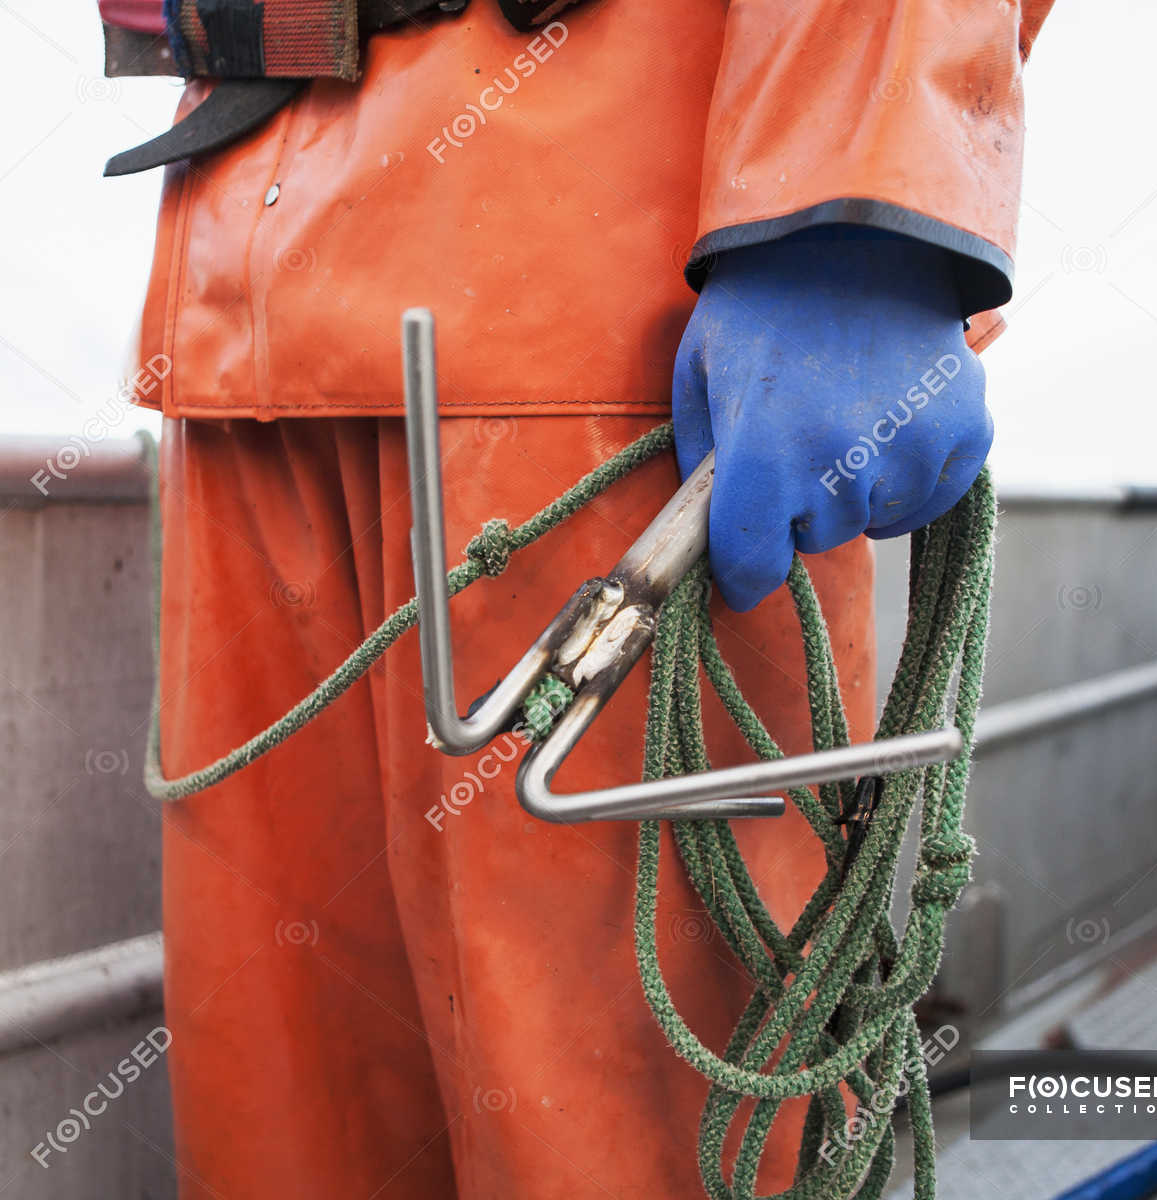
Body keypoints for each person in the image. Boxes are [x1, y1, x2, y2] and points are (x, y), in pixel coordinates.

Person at [103, 0, 1052, 1193]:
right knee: (288, 1128)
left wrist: (857, 221)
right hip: (246, 319)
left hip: (600, 332)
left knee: (617, 1143)